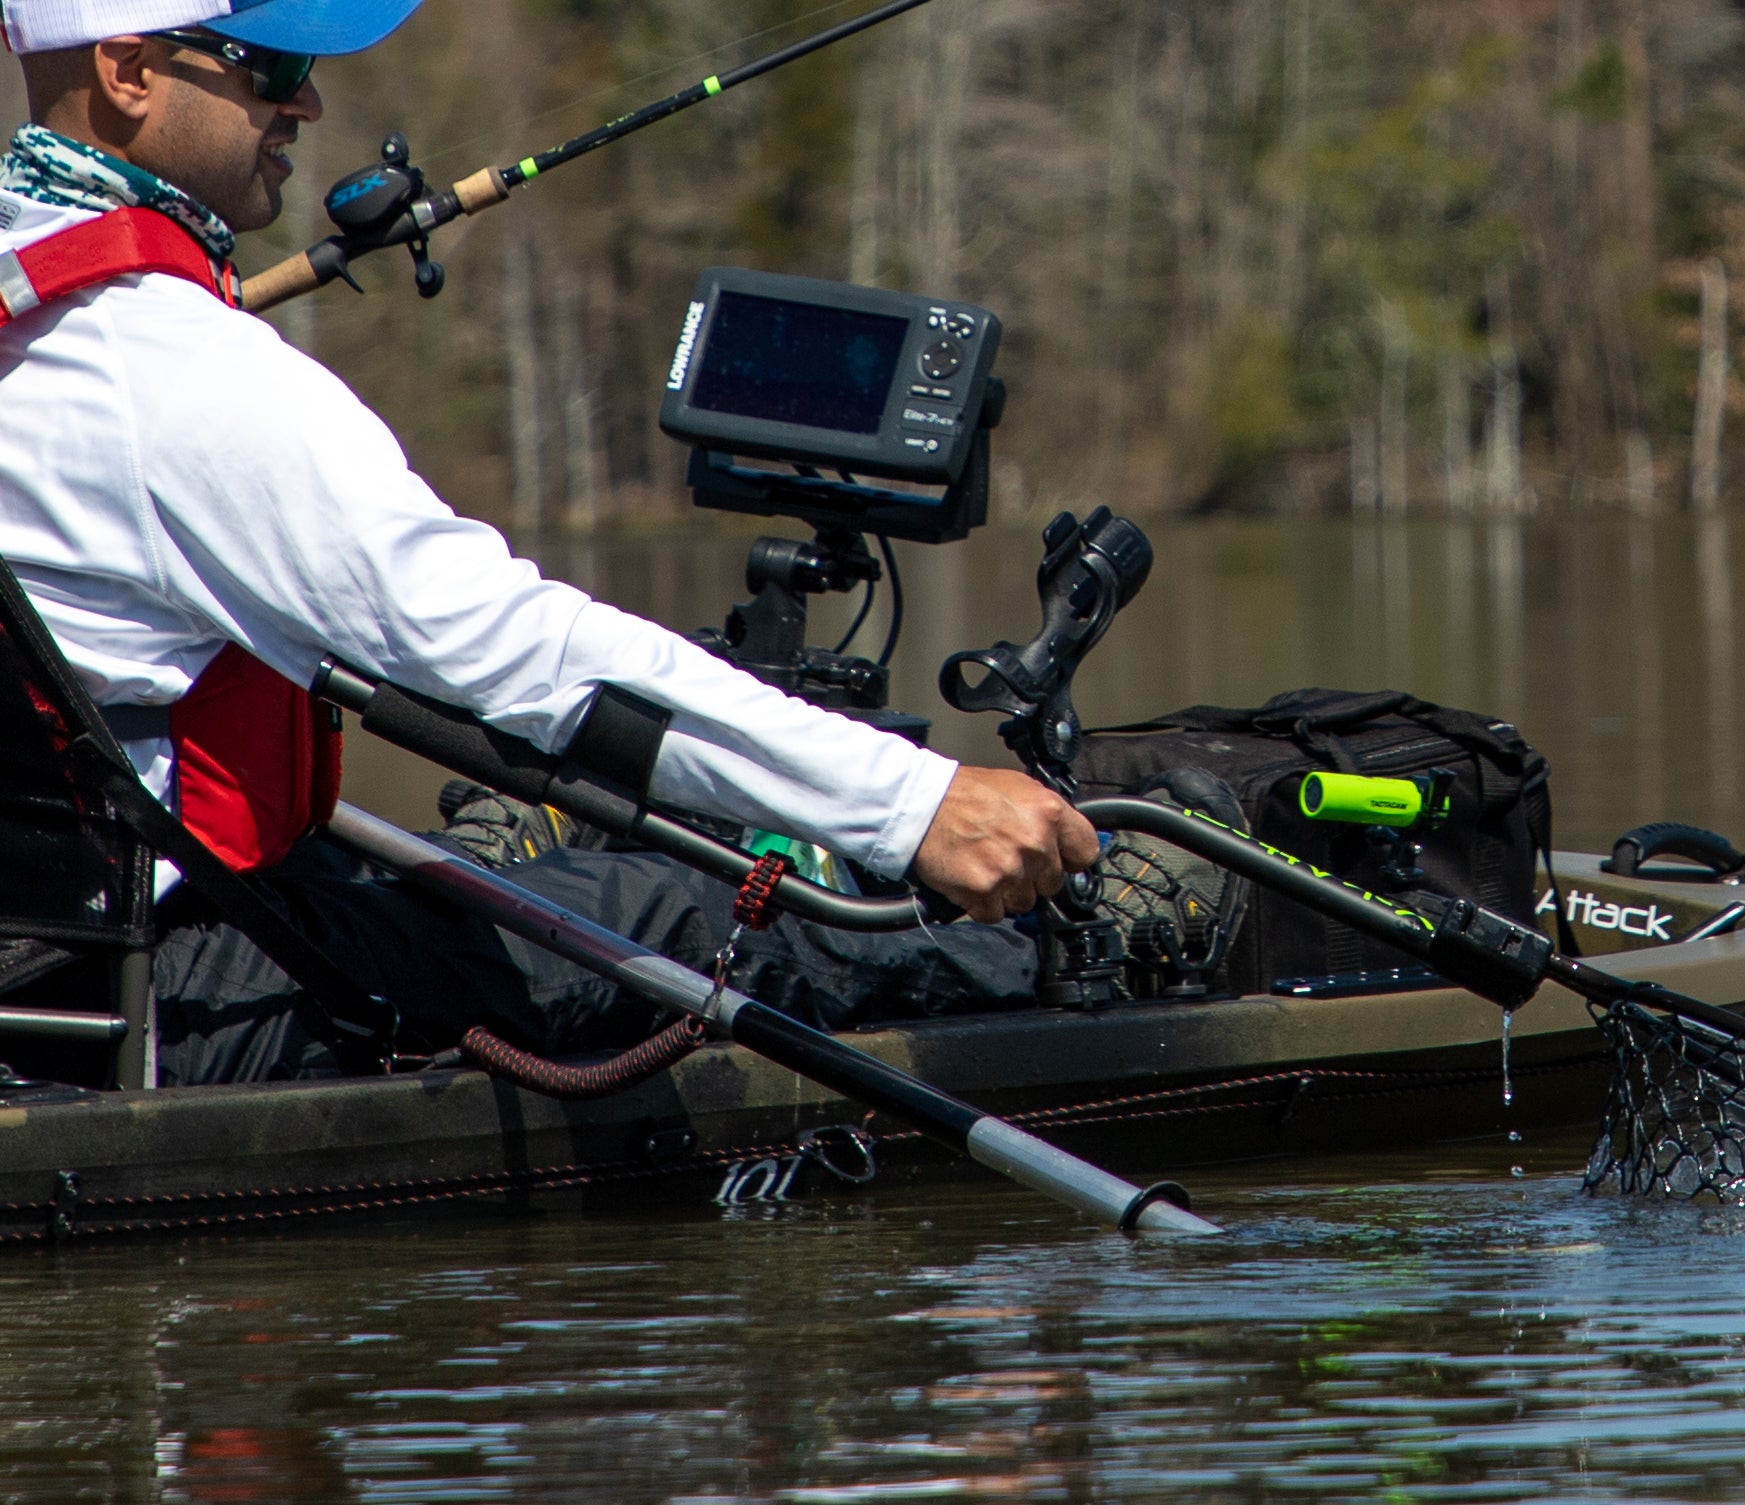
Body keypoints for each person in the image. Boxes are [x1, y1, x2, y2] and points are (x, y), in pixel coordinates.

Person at [0, 0, 1101, 1082]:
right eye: (274, 67)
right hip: (133, 990)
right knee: (702, 913)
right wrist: (912, 805)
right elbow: (513, 648)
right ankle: (1099, 956)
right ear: (129, 71)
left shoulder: (36, 304)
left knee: (483, 882)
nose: (309, 102)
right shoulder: (182, 374)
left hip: (51, 941)